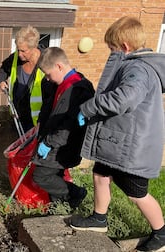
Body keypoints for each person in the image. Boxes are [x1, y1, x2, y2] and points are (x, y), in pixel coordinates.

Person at [69, 16, 165, 252]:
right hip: (117, 141)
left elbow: (125, 99)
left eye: (111, 48)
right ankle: (99, 219)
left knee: (136, 193)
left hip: (131, 148)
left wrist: (88, 108)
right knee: (100, 175)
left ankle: (161, 233)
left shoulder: (138, 68)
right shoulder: (135, 65)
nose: (110, 52)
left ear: (124, 47)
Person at [32, 47, 95, 208]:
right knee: (55, 173)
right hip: (53, 138)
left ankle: (75, 193)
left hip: (64, 144)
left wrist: (49, 143)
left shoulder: (78, 89)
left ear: (59, 66)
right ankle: (61, 204)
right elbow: (49, 107)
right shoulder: (59, 84)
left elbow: (69, 125)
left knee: (41, 176)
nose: (48, 78)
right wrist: (40, 124)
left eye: (48, 74)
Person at [0, 25, 56, 133]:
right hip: (18, 117)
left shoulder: (47, 62)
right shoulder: (15, 58)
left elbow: (52, 97)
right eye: (18, 50)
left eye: (24, 51)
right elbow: (4, 69)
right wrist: (1, 80)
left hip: (37, 122)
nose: (19, 54)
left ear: (34, 48)